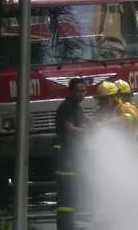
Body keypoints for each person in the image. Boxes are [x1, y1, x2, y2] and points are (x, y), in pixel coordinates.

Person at [55, 77, 87, 230]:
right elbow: (69, 127)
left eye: (83, 91)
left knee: (73, 193)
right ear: (70, 91)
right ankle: (65, 226)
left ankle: (69, 225)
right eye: (78, 91)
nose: (81, 94)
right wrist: (84, 132)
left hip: (74, 156)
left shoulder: (77, 107)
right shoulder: (67, 106)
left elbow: (84, 120)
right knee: (67, 193)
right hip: (66, 157)